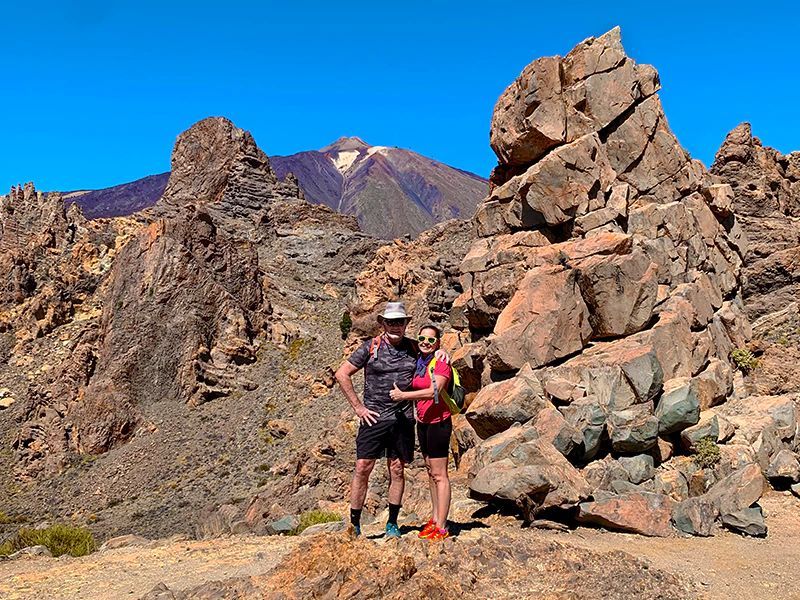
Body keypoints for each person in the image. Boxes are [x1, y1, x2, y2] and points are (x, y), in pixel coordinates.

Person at [334, 301, 419, 538]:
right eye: (390, 322)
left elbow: (435, 358)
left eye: (399, 322)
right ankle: (355, 524)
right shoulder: (370, 347)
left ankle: (392, 523)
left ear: (405, 324)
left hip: (402, 418)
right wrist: (359, 408)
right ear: (382, 323)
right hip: (373, 418)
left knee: (397, 469)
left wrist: (441, 351)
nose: (395, 326)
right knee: (363, 467)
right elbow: (342, 374)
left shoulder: (414, 348)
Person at [389, 324, 452, 540]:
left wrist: (404, 397)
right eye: (422, 339)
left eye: (431, 340)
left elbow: (435, 390)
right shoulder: (420, 360)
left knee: (440, 474)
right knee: (429, 471)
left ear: (438, 343)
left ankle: (442, 526)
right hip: (423, 421)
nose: (425, 343)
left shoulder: (440, 362)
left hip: (439, 422)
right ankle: (435, 519)